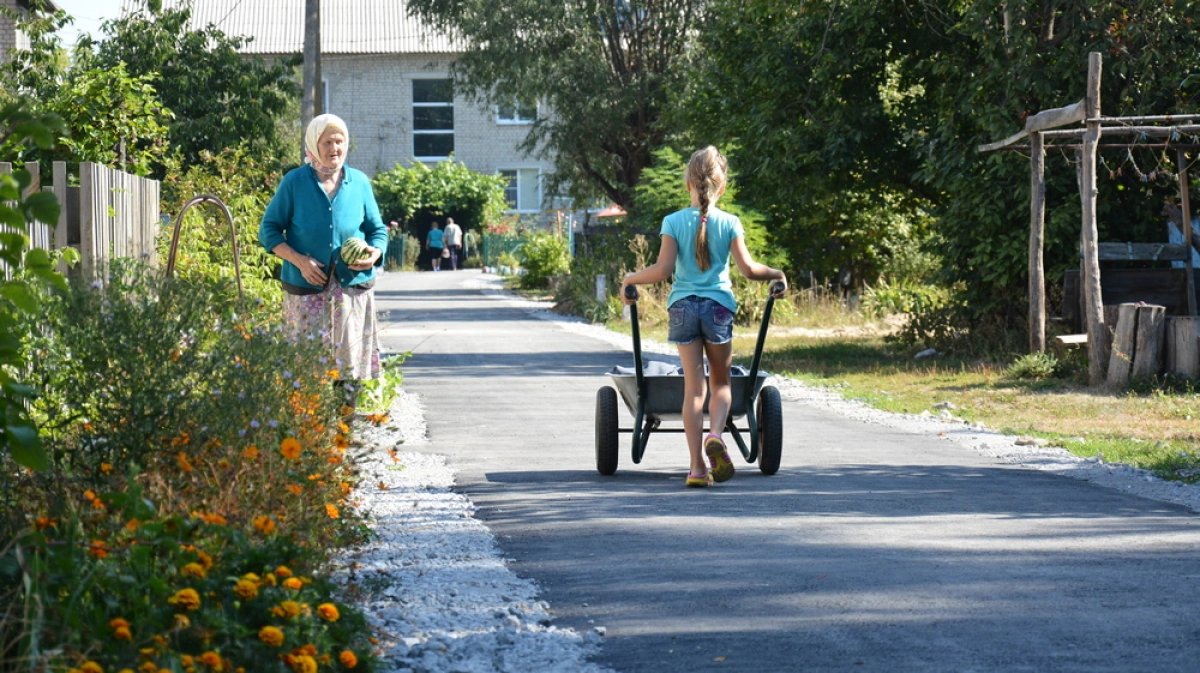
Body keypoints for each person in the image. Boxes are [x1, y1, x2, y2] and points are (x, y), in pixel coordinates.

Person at [620, 146, 786, 488]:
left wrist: (630, 279)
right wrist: (777, 273)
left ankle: (696, 468)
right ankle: (716, 436)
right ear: (721, 187)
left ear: (688, 185)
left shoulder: (673, 221)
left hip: (682, 307)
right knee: (722, 383)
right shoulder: (730, 222)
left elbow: (663, 270)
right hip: (718, 308)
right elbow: (749, 269)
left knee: (693, 390)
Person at [258, 113, 387, 401]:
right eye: (327, 142)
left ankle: (343, 432)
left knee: (349, 369)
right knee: (307, 369)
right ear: (314, 145)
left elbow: (377, 230)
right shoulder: (295, 182)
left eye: (339, 141)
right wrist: (299, 260)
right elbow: (268, 230)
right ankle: (310, 434)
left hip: (351, 290)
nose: (334, 148)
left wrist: (374, 254)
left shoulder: (360, 182)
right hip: (307, 291)